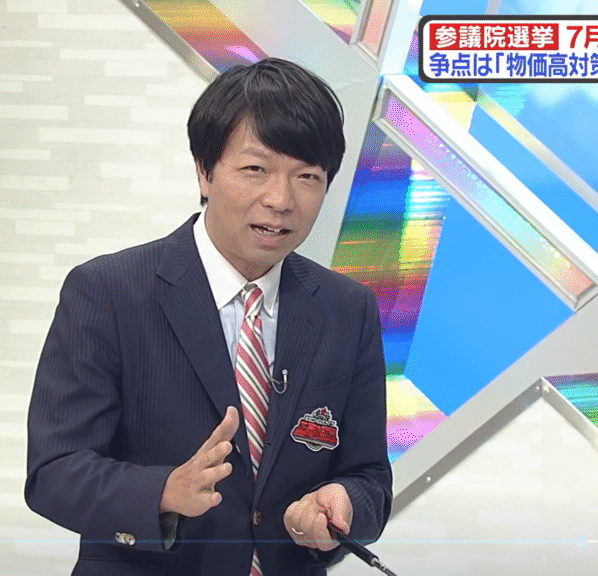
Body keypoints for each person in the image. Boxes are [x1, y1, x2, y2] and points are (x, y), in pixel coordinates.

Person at [25, 57, 392, 576]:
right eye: (255, 169)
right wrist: (162, 491)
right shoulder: (108, 292)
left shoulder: (347, 309)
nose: (280, 200)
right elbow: (54, 472)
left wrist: (342, 503)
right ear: (204, 170)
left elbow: (370, 477)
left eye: (307, 176)